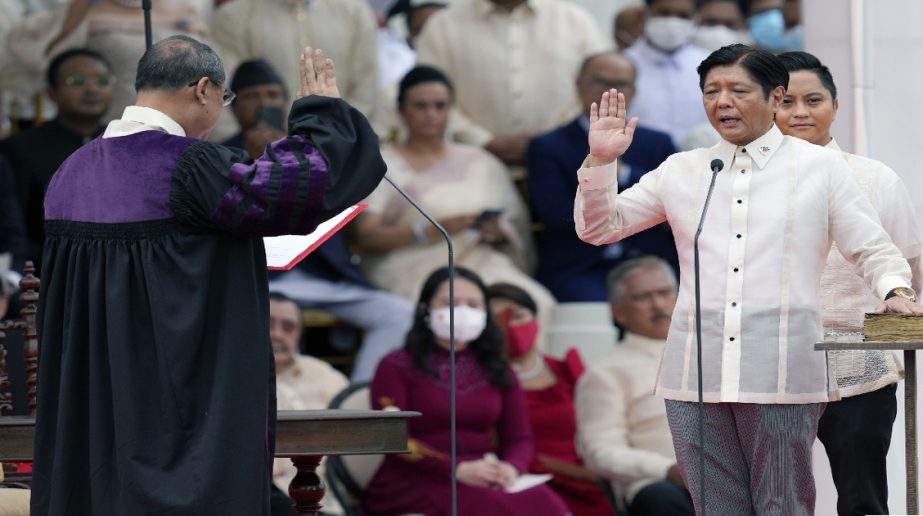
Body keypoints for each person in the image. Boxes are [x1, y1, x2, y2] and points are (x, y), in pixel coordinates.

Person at [32, 37, 386, 515]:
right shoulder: (188, 166)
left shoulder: (69, 173)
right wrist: (319, 113)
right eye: (225, 98)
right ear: (203, 90)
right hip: (178, 399)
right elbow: (304, 187)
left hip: (103, 403)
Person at [574, 43, 921, 514]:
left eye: (738, 90)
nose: (722, 101)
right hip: (694, 372)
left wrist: (897, 290)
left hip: (780, 366)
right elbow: (600, 227)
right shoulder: (684, 169)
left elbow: (871, 246)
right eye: (711, 91)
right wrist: (600, 162)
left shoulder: (821, 168)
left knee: (782, 503)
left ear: (775, 96)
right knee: (716, 507)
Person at [776, 50, 922, 516]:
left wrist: (901, 301)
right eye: (786, 101)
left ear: (835, 107)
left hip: (861, 365)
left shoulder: (874, 178)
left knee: (863, 500)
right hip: (774, 366)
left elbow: (909, 263)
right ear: (766, 106)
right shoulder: (748, 184)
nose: (800, 112)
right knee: (778, 498)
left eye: (813, 100)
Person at [354, 65, 556, 326]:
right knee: (451, 315)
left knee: (535, 303)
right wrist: (436, 230)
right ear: (401, 110)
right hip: (413, 266)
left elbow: (514, 230)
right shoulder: (381, 165)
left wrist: (497, 234)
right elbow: (366, 236)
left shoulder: (481, 162)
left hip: (482, 262)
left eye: (440, 106)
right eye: (421, 106)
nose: (431, 115)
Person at [363, 266, 569, 515]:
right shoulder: (396, 365)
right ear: (424, 309)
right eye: (450, 302)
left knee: (549, 506)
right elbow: (392, 439)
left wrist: (512, 467)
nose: (463, 311)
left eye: (473, 304)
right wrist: (457, 470)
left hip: (484, 474)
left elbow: (519, 438)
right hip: (416, 478)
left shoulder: (498, 368)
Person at [528, 51, 677, 302]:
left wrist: (625, 173)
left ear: (633, 91)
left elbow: (672, 201)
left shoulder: (658, 143)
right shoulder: (548, 146)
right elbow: (554, 214)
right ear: (579, 85)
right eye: (600, 82)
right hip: (580, 263)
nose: (609, 92)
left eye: (619, 84)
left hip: (648, 258)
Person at [414, 0, 607, 167]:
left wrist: (549, 142)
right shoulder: (442, 26)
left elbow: (601, 92)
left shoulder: (577, 22)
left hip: (565, 170)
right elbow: (422, 95)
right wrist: (483, 140)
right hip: (468, 170)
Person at [575, 257, 694, 516]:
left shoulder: (716, 352)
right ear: (618, 313)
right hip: (662, 484)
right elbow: (599, 451)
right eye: (642, 297)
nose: (658, 304)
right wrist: (668, 469)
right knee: (661, 500)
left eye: (664, 293)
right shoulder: (605, 373)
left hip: (732, 474)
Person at [486, 282, 610, 516]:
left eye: (518, 316)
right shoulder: (482, 381)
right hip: (517, 479)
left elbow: (595, 428)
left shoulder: (566, 369)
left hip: (583, 486)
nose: (510, 326)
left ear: (536, 319)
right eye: (497, 321)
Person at [0, 48, 112, 272]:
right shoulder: (21, 148)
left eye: (101, 80)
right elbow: (15, 233)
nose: (92, 88)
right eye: (77, 80)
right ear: (51, 92)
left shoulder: (128, 143)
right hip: (51, 276)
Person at [212, 0, 378, 116]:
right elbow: (225, 95)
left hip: (340, 150)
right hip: (260, 154)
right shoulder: (234, 16)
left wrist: (339, 139)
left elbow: (365, 91)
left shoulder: (355, 12)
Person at [268, 292, 348, 513]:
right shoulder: (232, 379)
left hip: (334, 498)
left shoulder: (325, 375)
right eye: (268, 323)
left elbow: (354, 435)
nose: (276, 334)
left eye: (288, 327)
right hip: (273, 499)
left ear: (299, 334)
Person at [624, 0, 709, 148]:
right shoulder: (623, 64)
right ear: (644, 14)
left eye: (683, 15)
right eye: (664, 13)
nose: (672, 21)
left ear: (696, 19)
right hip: (639, 164)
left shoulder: (711, 65)